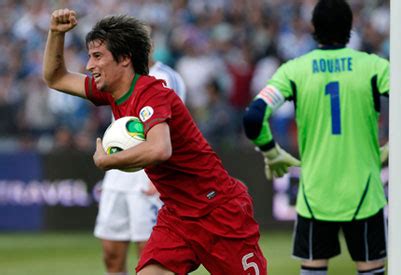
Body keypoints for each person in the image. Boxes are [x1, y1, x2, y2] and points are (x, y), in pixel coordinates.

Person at [43, 9, 266, 275]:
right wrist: (56, 33)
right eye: (90, 56)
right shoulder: (114, 92)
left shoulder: (151, 92)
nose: (89, 65)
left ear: (125, 58)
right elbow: (55, 77)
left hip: (217, 210)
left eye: (97, 56)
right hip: (178, 215)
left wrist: (108, 160)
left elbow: (160, 149)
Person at [243, 0, 388, 274]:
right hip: (365, 191)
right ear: (350, 28)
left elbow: (253, 116)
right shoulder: (374, 67)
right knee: (370, 268)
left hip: (315, 195)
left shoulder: (294, 70)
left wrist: (271, 152)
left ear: (314, 29)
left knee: (313, 268)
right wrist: (397, 145)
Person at [93, 50, 186, 274]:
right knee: (111, 253)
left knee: (150, 255)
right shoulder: (118, 75)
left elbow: (175, 128)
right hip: (117, 174)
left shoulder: (166, 77)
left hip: (149, 173)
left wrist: (160, 178)